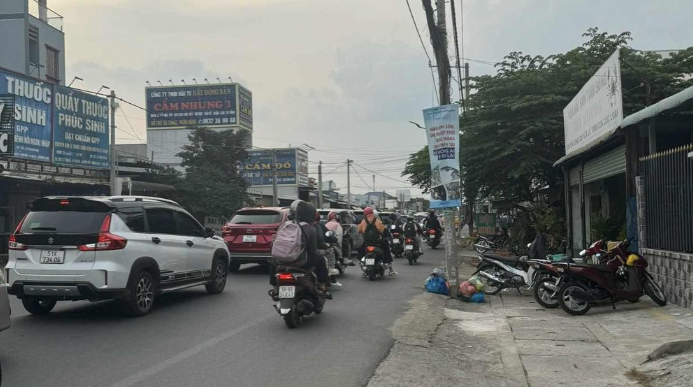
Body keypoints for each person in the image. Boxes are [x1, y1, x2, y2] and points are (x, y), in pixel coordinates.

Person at [269, 200, 331, 298]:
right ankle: (322, 287)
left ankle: (275, 289)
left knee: (273, 261)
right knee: (320, 259)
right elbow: (312, 251)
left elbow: (274, 244)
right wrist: (324, 252)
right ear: (310, 214)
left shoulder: (284, 225)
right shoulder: (310, 228)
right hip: (300, 262)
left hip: (281, 261)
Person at [357, 207, 397, 276]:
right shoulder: (377, 221)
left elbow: (359, 230)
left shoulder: (363, 221)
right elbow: (382, 230)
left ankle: (362, 264)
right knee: (386, 249)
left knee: (361, 251)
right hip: (377, 242)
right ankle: (388, 264)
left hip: (367, 243)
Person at [315, 211, 342, 288]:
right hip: (312, 251)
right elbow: (321, 240)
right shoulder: (317, 226)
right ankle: (330, 272)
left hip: (295, 254)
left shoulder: (293, 225)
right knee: (330, 251)